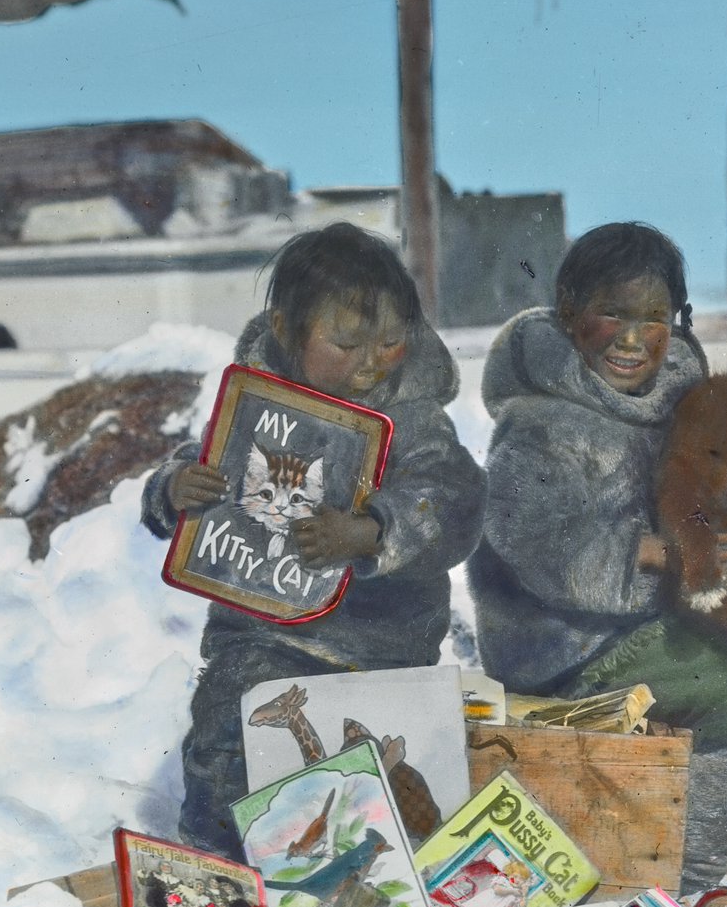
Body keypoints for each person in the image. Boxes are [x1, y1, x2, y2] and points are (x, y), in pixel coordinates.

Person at [467, 221, 727, 895]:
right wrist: (658, 555)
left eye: (654, 318)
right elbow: (540, 545)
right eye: (613, 313)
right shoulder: (538, 423)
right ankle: (686, 867)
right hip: (570, 646)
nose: (634, 338)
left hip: (657, 618)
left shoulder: (685, 404)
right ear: (572, 313)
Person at [142, 222, 486, 861]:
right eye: (346, 342)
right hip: (264, 637)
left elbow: (452, 493)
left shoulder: (411, 415)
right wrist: (174, 487)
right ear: (284, 328)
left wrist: (372, 528)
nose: (369, 362)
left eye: (388, 343)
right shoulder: (257, 400)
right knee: (230, 736)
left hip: (384, 649)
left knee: (380, 782)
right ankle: (220, 864)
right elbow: (214, 458)